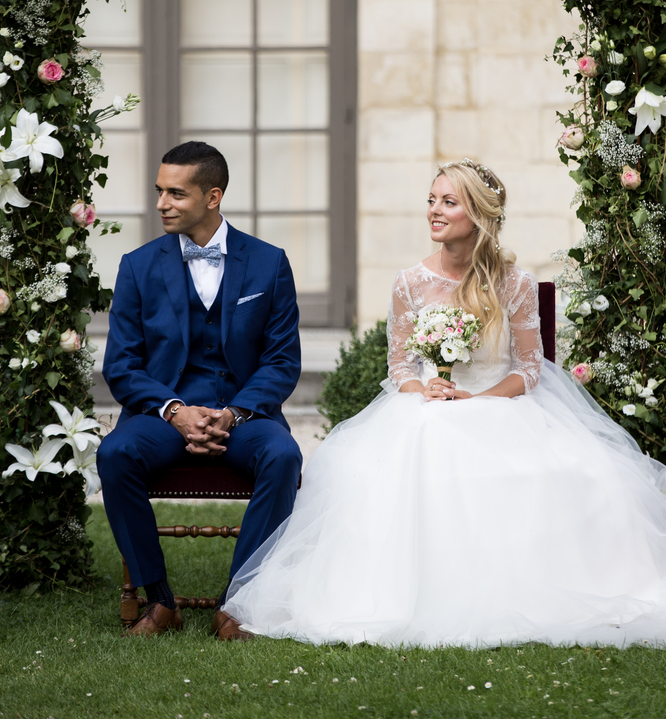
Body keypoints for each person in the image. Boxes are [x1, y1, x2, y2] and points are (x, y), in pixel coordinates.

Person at [223, 160, 666, 648]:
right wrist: (424, 390)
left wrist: (481, 399)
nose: (434, 211)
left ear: (479, 214)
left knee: (587, 473)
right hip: (429, 407)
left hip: (500, 403)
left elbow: (529, 369)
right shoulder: (410, 283)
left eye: (448, 202)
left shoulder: (514, 284)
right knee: (402, 459)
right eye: (432, 200)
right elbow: (400, 370)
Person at [97, 141, 302, 639]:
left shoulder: (269, 263)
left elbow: (282, 361)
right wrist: (175, 411)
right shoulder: (138, 265)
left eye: (176, 193)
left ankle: (236, 604)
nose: (162, 203)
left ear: (213, 196)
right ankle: (159, 601)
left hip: (244, 417)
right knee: (115, 453)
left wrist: (232, 415)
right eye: (159, 191)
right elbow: (121, 365)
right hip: (163, 416)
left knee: (283, 458)